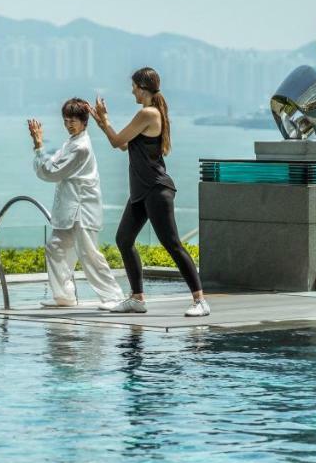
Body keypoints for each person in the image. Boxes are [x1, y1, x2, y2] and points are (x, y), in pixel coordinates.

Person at [90, 68, 210, 317]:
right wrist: (103, 123)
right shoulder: (146, 114)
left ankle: (200, 301)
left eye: (134, 86)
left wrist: (105, 121)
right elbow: (123, 144)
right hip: (141, 191)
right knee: (124, 239)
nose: (132, 90)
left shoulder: (148, 113)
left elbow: (116, 141)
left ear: (143, 88)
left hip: (156, 189)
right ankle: (137, 298)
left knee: (172, 243)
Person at [28, 98, 126, 310]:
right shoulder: (72, 142)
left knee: (89, 254)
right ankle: (64, 296)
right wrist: (43, 153)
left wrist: (38, 147)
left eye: (73, 120)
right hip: (71, 208)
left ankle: (114, 297)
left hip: (82, 208)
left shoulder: (80, 147)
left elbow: (52, 171)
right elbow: (53, 165)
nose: (69, 124)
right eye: (66, 120)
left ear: (84, 121)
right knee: (55, 247)